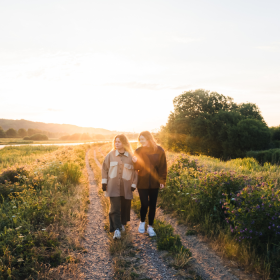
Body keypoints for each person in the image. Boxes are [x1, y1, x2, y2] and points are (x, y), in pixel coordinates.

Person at [102, 134, 137, 239]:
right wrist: (104, 183)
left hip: (126, 188)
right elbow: (104, 168)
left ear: (124, 143)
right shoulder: (110, 155)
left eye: (119, 142)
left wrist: (134, 184)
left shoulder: (131, 156)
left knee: (125, 207)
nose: (116, 143)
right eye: (115, 142)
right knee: (115, 208)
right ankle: (116, 230)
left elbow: (136, 171)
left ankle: (122, 224)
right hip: (113, 186)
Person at [132, 131, 167, 237]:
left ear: (148, 139)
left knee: (152, 205)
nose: (141, 141)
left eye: (142, 139)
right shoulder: (138, 151)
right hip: (142, 182)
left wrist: (162, 180)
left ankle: (150, 226)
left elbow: (163, 166)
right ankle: (142, 222)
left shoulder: (159, 150)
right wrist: (134, 161)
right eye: (140, 139)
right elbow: (137, 168)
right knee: (144, 204)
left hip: (155, 182)